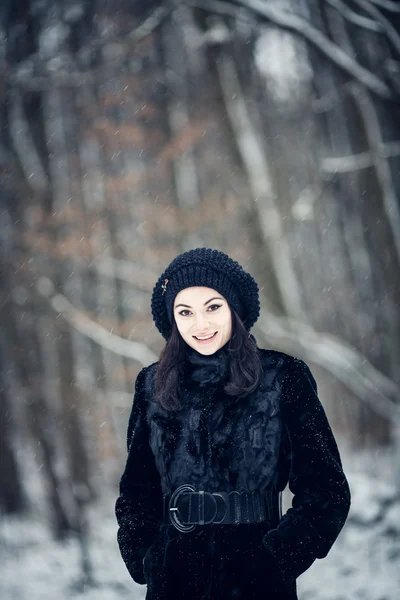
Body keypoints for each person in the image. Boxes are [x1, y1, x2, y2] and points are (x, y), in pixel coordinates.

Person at [115, 247, 351, 600]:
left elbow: (326, 489)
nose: (201, 324)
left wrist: (281, 555)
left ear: (234, 308)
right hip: (173, 582)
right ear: (173, 320)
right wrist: (146, 558)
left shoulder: (283, 377)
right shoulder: (151, 386)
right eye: (186, 312)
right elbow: (137, 490)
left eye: (213, 307)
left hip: (259, 581)